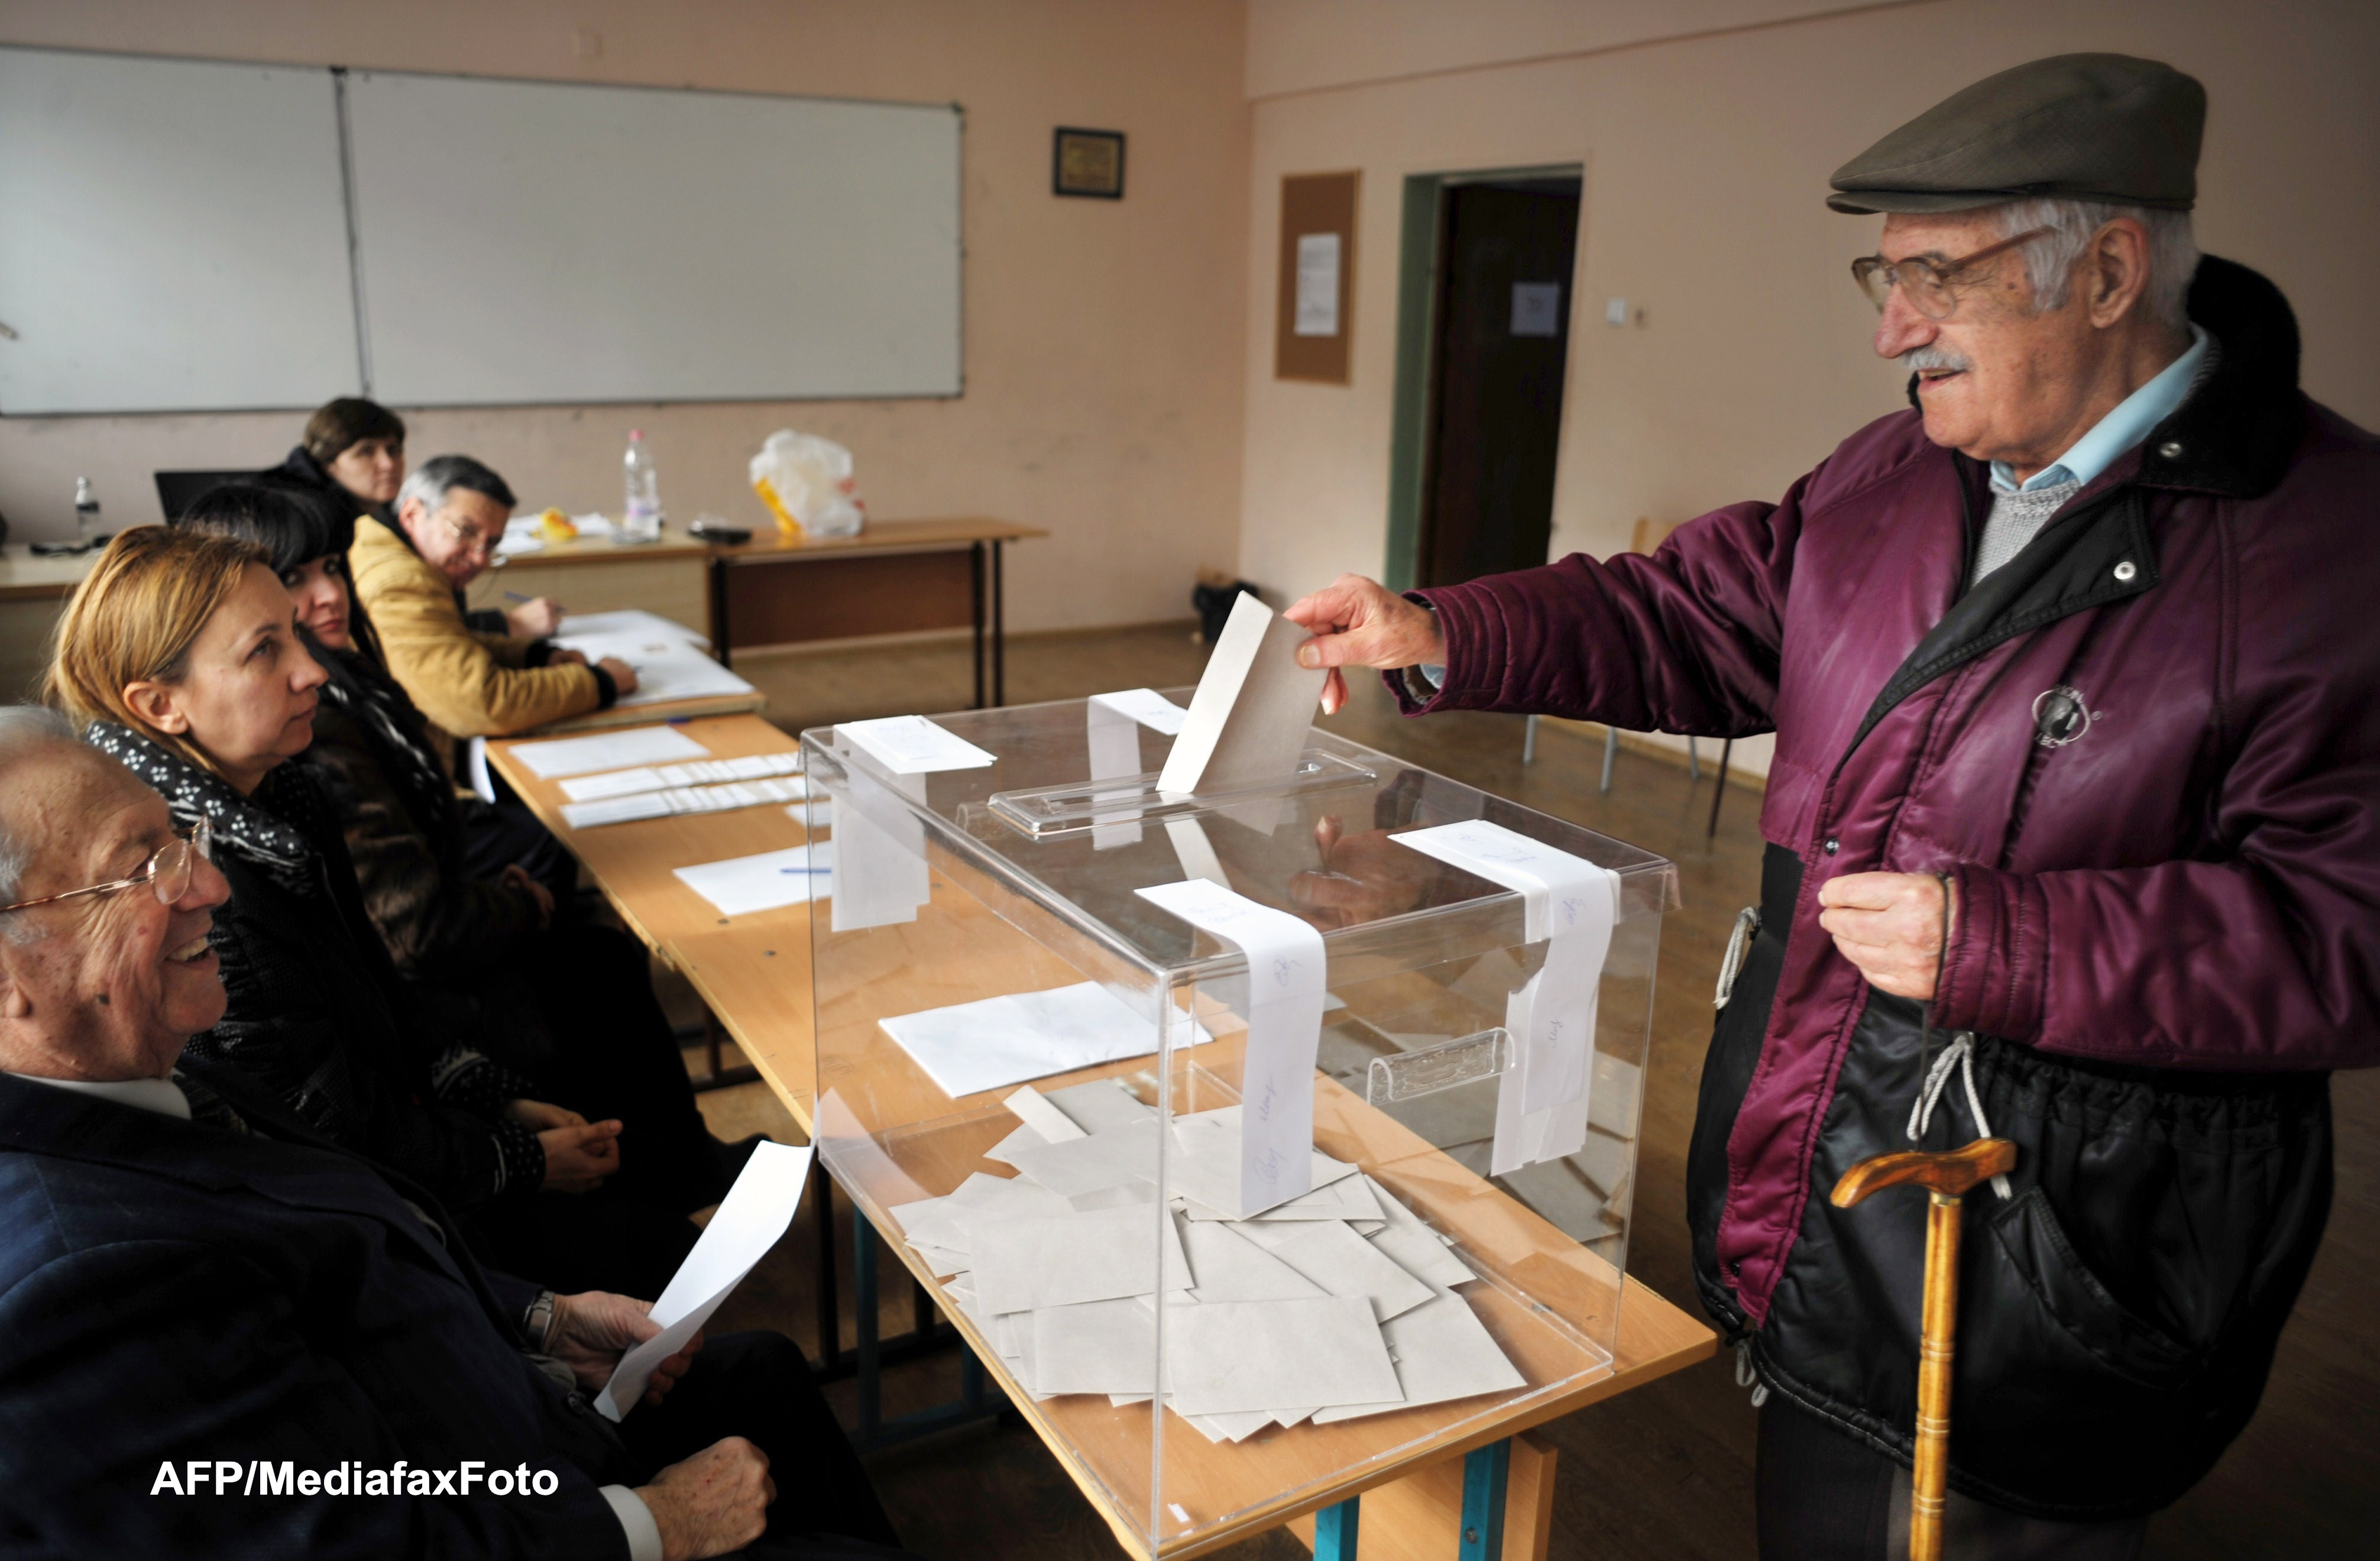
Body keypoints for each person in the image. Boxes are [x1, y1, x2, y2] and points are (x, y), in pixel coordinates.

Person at [1285, 54, 2378, 1558]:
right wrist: (1442, 627)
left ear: (2109, 272)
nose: (1890, 329)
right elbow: (1694, 615)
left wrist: (2000, 942)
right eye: (1885, 274)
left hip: (2045, 1265)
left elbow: (2346, 922)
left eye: (1938, 277)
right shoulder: (1894, 472)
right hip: (1826, 1181)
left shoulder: (2333, 550)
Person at [0, 708, 910, 1559]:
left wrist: (539, 1320)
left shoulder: (142, 1066)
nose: (210, 883)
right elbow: (324, 1533)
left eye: (178, 841)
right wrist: (653, 1523)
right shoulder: (76, 1289)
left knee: (763, 1372)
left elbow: (349, 1244)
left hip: (496, 1416)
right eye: (142, 869)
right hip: (511, 1506)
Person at [45, 526, 710, 1298]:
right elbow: (326, 1130)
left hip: (406, 1148)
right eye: (265, 651)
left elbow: (376, 992)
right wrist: (514, 1159)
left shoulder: (281, 793)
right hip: (359, 1226)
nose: (310, 672)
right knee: (667, 1265)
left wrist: (489, 1095)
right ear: (160, 705)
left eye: (295, 635)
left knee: (647, 1207)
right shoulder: (198, 888)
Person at [171, 482, 752, 1186]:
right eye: (294, 580)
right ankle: (658, 1175)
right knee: (588, 960)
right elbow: (410, 941)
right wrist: (517, 907)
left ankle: (670, 1166)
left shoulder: (339, 681)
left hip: (414, 982)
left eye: (331, 567)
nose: (328, 596)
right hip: (425, 995)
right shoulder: (301, 738)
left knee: (592, 945)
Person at [349, 454, 635, 746]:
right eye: (466, 531)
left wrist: (532, 656)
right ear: (412, 514)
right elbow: (480, 704)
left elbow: (446, 638)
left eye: (491, 544)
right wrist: (601, 682)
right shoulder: (401, 583)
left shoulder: (378, 543)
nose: (479, 559)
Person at [270, 397, 564, 642]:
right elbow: (392, 630)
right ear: (328, 462)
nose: (388, 464)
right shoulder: (313, 528)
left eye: (394, 450)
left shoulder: (376, 516)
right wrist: (503, 625)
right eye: (366, 451)